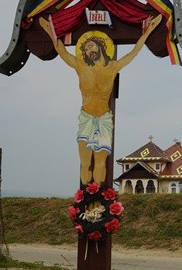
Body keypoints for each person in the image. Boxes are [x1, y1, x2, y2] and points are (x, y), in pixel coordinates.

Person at [39, 14, 162, 186]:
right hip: (86, 118)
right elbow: (61, 49)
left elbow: (134, 52)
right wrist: (48, 29)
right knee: (85, 163)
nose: (89, 50)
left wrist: (147, 32)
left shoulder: (113, 67)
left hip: (104, 119)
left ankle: (99, 202)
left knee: (100, 162)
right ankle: (84, 203)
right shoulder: (80, 66)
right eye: (86, 48)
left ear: (100, 46)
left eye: (91, 45)